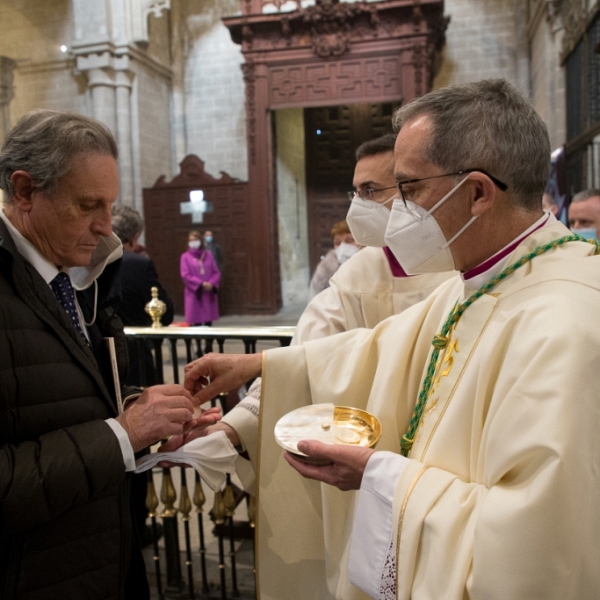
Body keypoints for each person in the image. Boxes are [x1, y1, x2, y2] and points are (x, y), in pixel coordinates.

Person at [181, 80, 600, 599]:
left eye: (409, 188)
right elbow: (381, 347)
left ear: (476, 193)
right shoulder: (480, 280)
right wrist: (259, 368)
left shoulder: (563, 324)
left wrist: (383, 478)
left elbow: (535, 548)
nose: (396, 211)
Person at [0, 110, 219, 599]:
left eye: (111, 204)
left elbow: (64, 401)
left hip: (102, 557)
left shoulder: (77, 273)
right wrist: (122, 434)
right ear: (25, 191)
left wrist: (147, 423)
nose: (106, 225)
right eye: (87, 205)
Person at [193, 134, 454, 493]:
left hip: (444, 460)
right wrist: (232, 429)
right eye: (355, 192)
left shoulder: (461, 269)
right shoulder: (357, 275)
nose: (357, 206)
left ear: (410, 189)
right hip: (368, 460)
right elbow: (303, 354)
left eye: (370, 190)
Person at [111, 204, 174, 386]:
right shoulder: (140, 265)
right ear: (135, 236)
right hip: (135, 356)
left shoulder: (87, 261)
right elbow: (166, 312)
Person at [309, 220, 360, 298]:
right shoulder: (324, 272)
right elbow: (314, 302)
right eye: (337, 243)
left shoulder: (374, 265)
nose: (343, 247)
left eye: (349, 241)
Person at [181, 229, 220, 326]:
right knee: (196, 323)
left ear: (200, 241)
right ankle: (198, 342)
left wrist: (211, 283)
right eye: (191, 240)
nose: (193, 242)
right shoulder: (185, 257)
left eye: (196, 239)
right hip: (195, 293)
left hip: (208, 292)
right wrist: (201, 284)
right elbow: (185, 275)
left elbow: (216, 272)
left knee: (208, 323)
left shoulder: (209, 255)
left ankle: (208, 341)